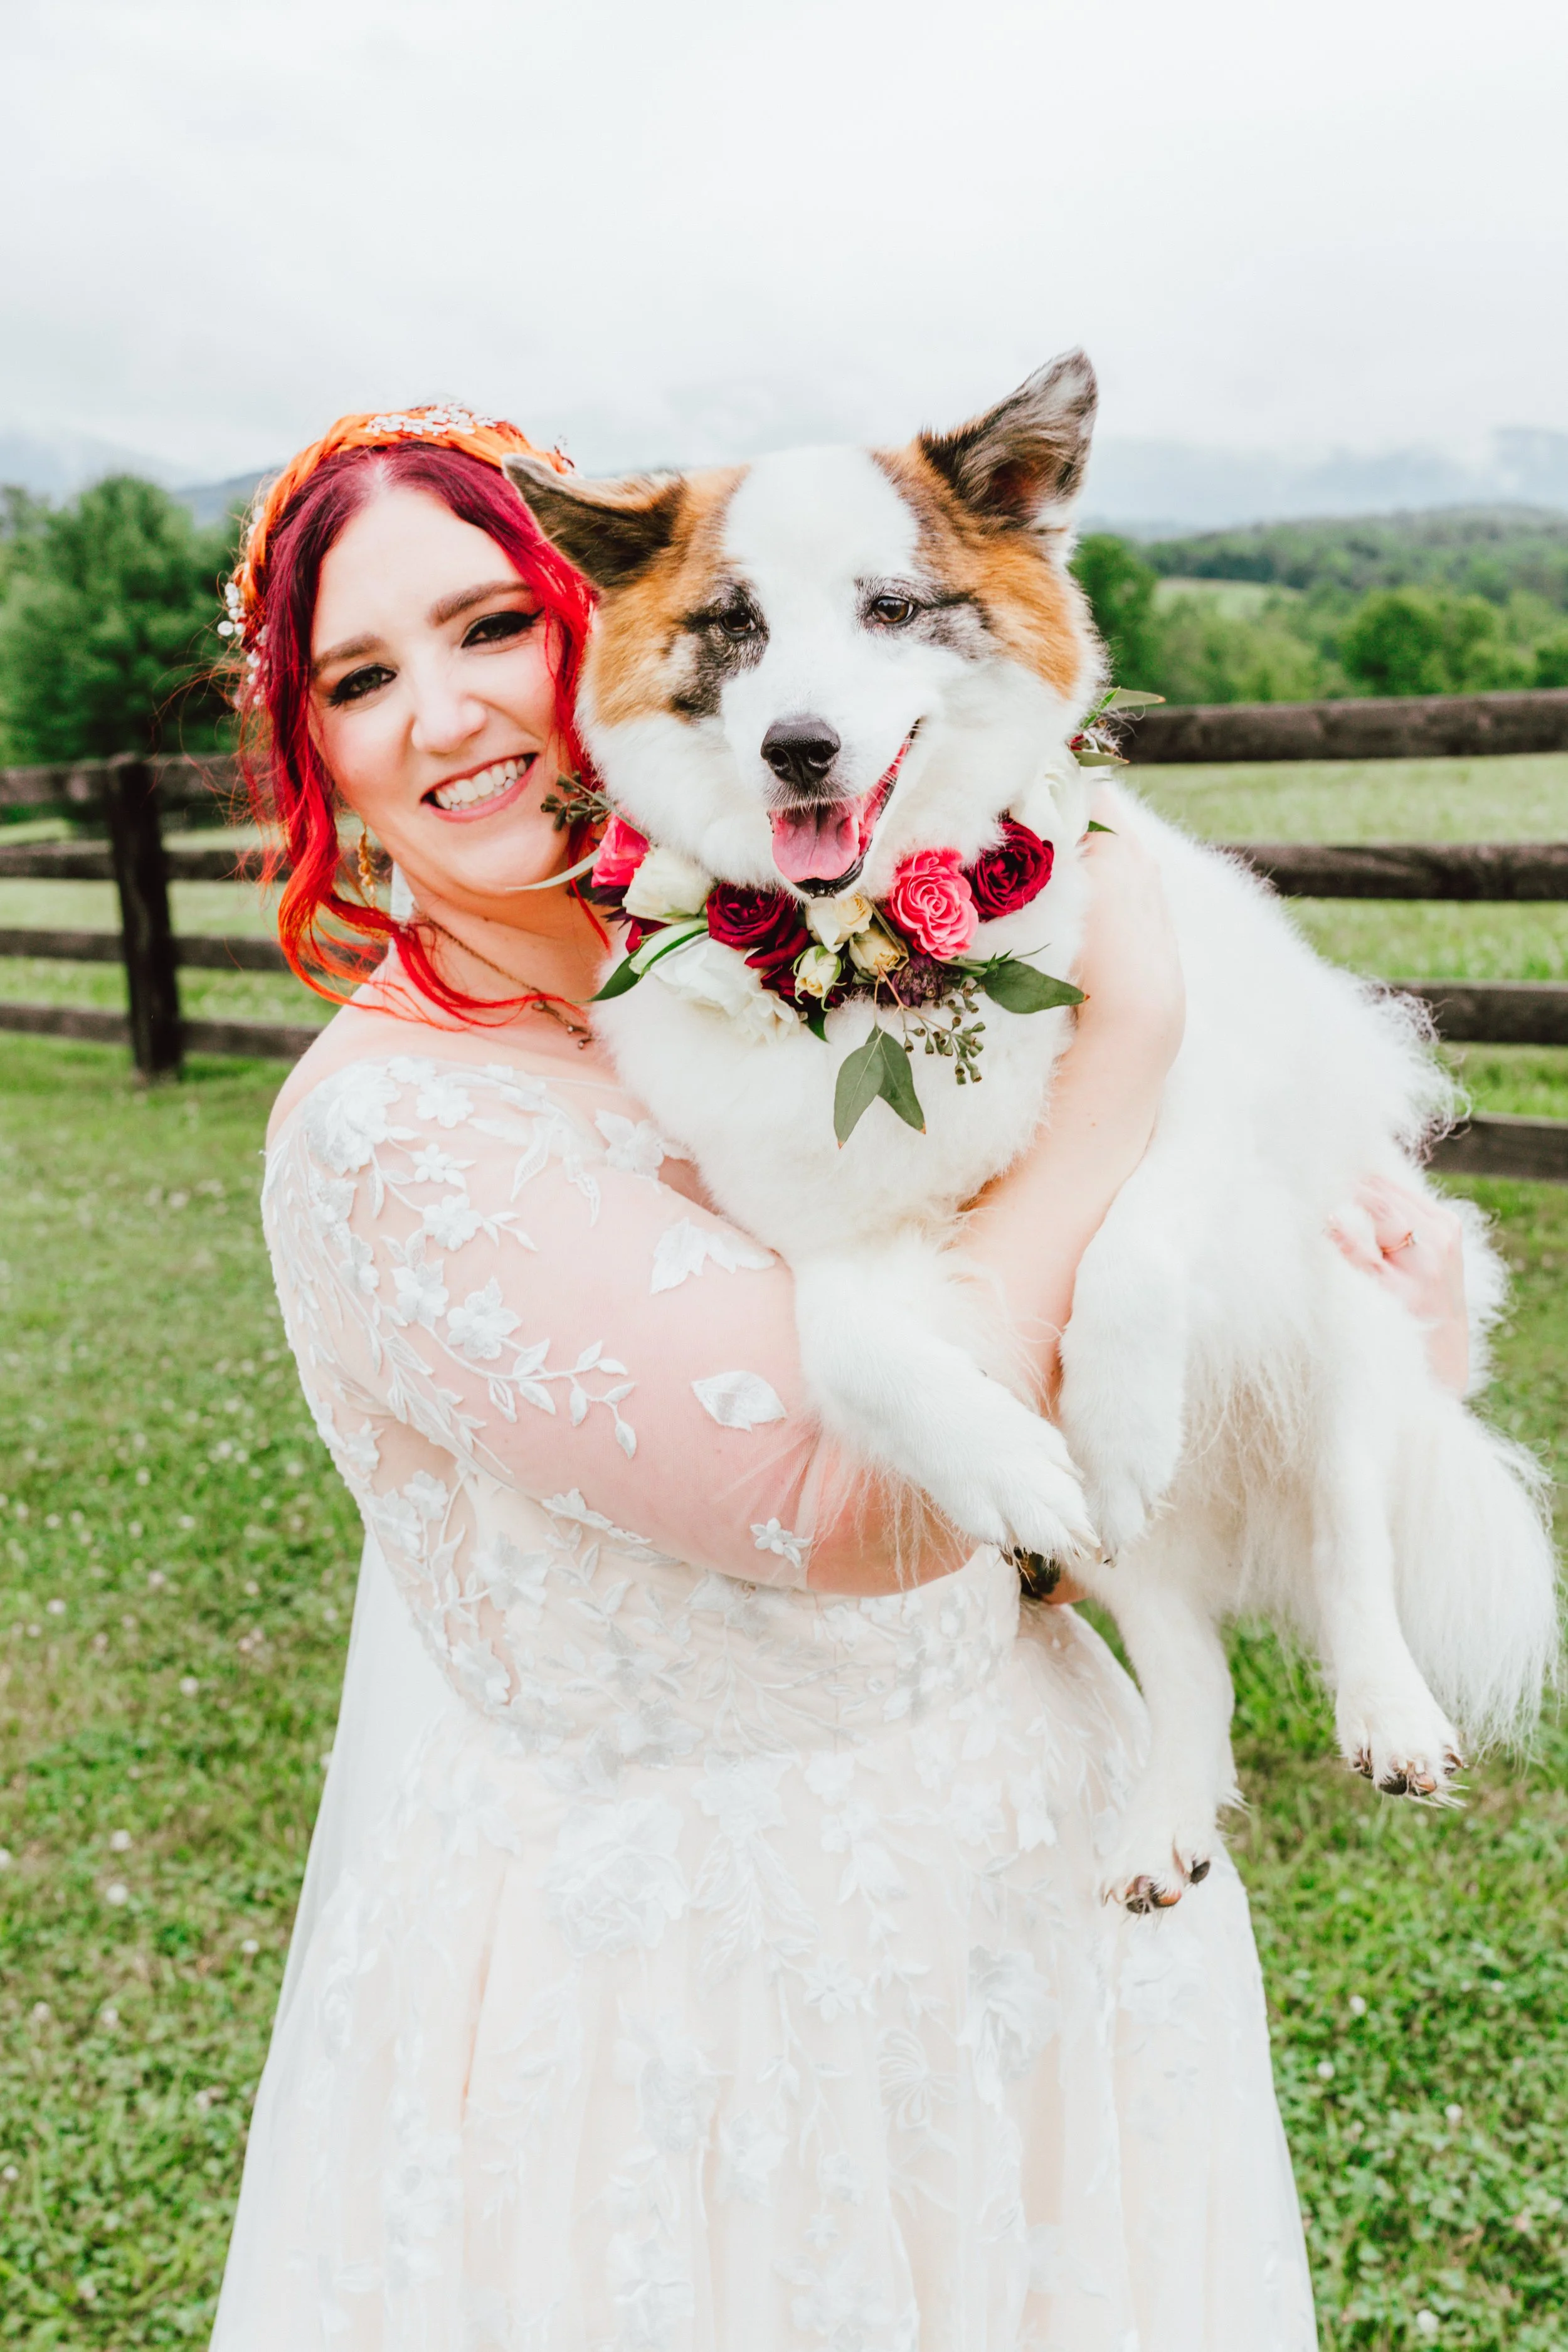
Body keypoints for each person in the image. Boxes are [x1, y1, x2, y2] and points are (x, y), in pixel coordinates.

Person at [211, 406, 1471, 2351]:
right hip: (694, 1993)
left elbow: (1120, 1378)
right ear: (314, 757)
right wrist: (1124, 1050)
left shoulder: (779, 955)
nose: (449, 712)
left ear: (619, 633)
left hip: (1037, 1885)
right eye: (361, 679)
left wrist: (1321, 1247)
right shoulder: (395, 1134)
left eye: (488, 629)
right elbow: (856, 1508)